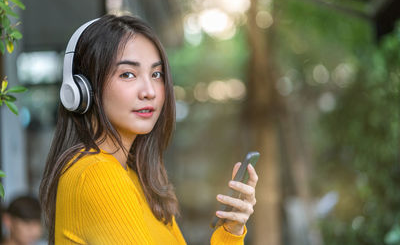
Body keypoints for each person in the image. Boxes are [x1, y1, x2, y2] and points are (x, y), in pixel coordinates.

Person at [39, 15, 258, 244]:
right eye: (128, 74)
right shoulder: (96, 175)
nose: (149, 91)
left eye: (156, 74)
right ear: (83, 88)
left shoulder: (134, 177)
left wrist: (231, 230)